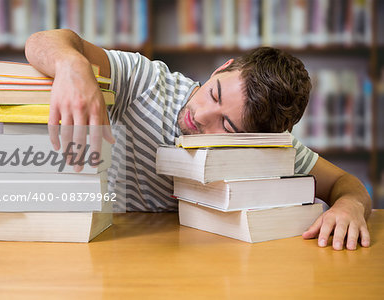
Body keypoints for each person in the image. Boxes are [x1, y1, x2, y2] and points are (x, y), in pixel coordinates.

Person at [25, 29, 371, 251]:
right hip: (111, 244)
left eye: (227, 126)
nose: (200, 115)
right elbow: (42, 40)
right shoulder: (147, 82)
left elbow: (345, 183)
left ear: (256, 141)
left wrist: (349, 206)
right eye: (214, 93)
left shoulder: (268, 149)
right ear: (223, 67)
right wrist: (73, 66)